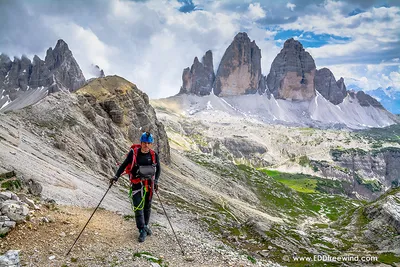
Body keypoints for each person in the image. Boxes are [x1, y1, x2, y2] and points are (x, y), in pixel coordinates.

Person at [110, 132, 161, 242]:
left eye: (148, 143)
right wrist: (116, 176)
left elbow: (158, 169)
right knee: (138, 207)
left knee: (147, 206)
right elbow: (123, 165)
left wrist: (156, 181)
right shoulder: (134, 153)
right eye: (144, 143)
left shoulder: (153, 155)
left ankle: (145, 225)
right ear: (141, 142)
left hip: (149, 184)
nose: (146, 145)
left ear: (151, 144)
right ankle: (141, 229)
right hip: (137, 183)